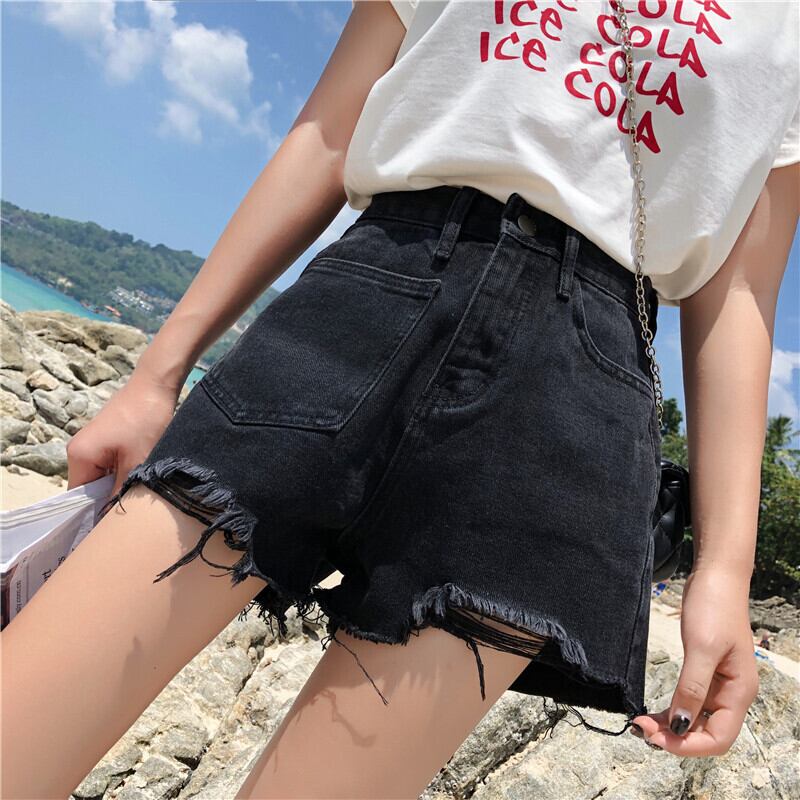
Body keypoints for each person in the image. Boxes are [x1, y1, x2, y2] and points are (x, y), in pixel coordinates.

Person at [3, 2, 798, 798]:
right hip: (366, 299)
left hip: (570, 410)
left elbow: (740, 293)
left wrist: (725, 571)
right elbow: (329, 131)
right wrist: (156, 375)